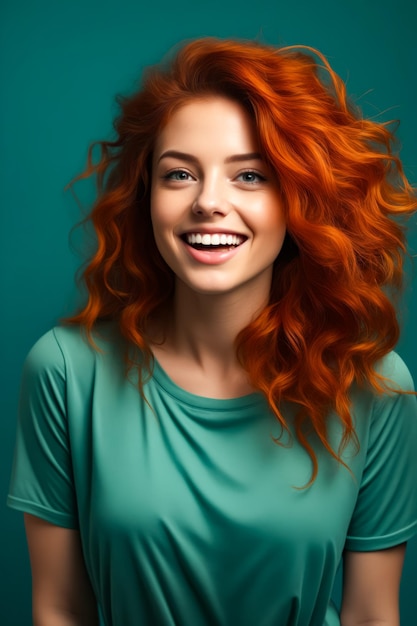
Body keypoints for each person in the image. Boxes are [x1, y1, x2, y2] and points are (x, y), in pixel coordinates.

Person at [7, 37, 417, 626]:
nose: (209, 203)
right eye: (180, 175)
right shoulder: (67, 371)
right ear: (147, 195)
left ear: (299, 198)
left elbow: (373, 616)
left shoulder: (375, 386)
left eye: (249, 175)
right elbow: (58, 608)